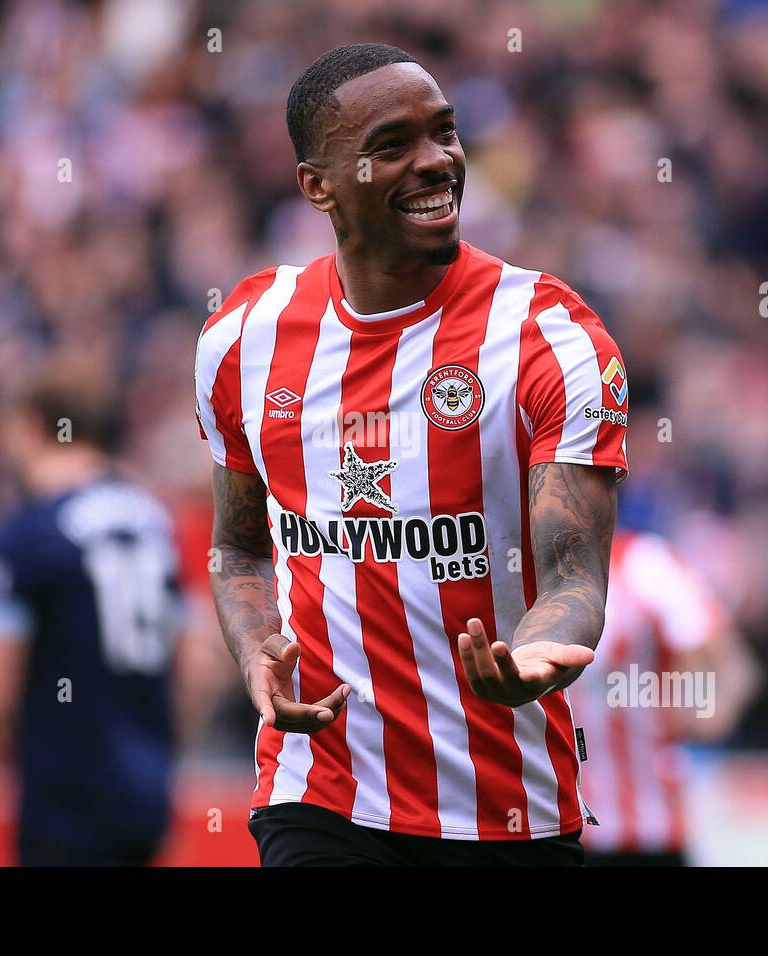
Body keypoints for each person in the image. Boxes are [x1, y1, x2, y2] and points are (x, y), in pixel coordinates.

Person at [195, 44, 629, 865]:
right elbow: (240, 543)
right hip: (318, 795)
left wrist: (535, 654)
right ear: (317, 185)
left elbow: (575, 576)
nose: (437, 162)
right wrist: (257, 656)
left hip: (509, 812)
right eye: (393, 145)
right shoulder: (242, 339)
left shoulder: (550, 337)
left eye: (445, 133)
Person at [0, 362, 182, 865]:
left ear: (31, 425)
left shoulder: (29, 536)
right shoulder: (154, 528)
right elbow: (191, 664)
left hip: (65, 808)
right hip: (145, 800)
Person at [568, 529, 759, 866]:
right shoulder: (530, 565)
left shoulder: (649, 567)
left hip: (648, 835)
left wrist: (691, 720)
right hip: (566, 831)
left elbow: (736, 673)